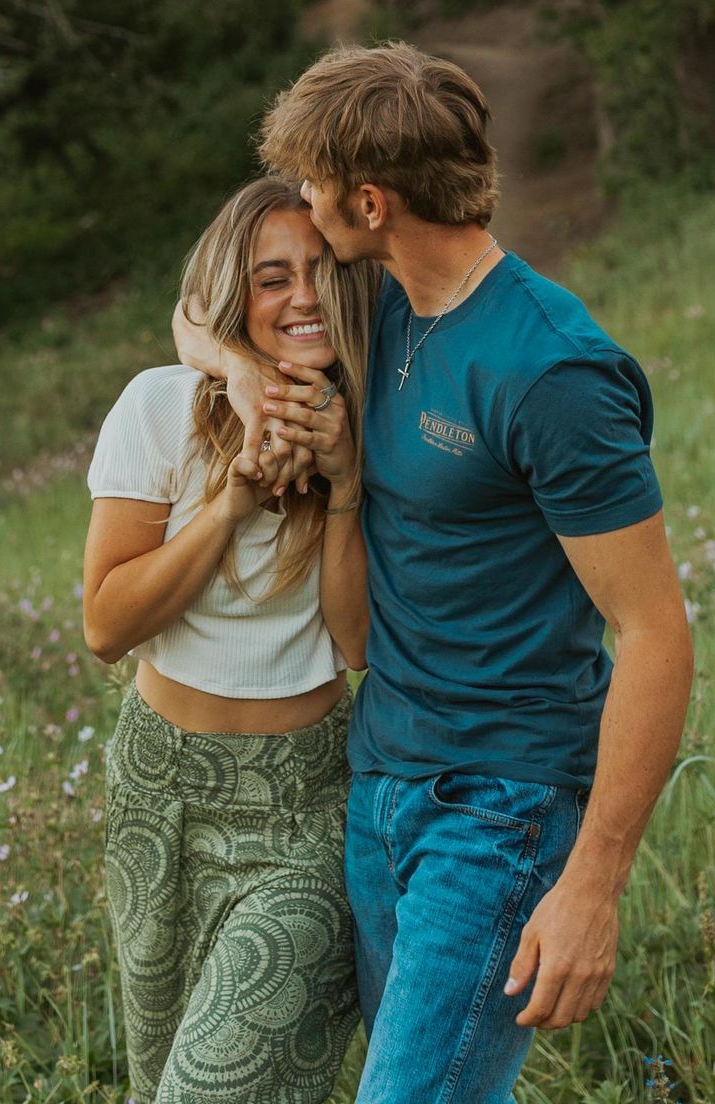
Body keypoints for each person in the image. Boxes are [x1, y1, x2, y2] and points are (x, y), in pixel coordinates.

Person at [173, 42, 694, 1104]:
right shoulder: (376, 302)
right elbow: (195, 313)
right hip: (382, 785)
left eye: (315, 189)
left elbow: (655, 631)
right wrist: (233, 363)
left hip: (501, 807)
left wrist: (593, 882)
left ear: (370, 201)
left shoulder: (553, 370)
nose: (303, 206)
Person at [83, 176, 381, 1104]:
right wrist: (232, 502)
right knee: (157, 1077)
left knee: (210, 1088)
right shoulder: (159, 407)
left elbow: (358, 645)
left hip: (306, 802)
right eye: (270, 277)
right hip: (160, 791)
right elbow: (106, 625)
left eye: (320, 272)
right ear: (231, 296)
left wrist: (343, 489)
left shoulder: (370, 420)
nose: (301, 297)